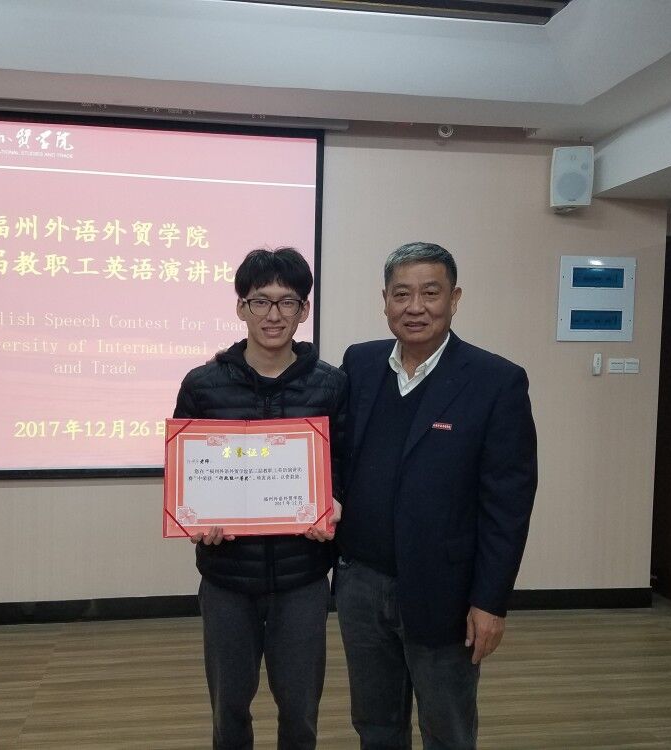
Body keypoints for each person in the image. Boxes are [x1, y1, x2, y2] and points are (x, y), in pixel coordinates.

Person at [335, 242, 537, 749]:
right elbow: (336, 458)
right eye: (401, 294)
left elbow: (508, 506)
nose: (415, 307)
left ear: (454, 298)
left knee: (447, 729)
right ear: (385, 300)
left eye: (430, 293)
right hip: (361, 584)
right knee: (375, 726)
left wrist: (490, 601)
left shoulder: (496, 381)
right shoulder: (360, 364)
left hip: (446, 592)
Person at [172, 247, 346, 750]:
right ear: (240, 307)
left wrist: (335, 505)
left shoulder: (331, 384)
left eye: (287, 302)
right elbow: (186, 475)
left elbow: (346, 467)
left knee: (300, 712)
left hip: (302, 578)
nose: (274, 314)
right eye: (260, 301)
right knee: (228, 709)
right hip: (227, 577)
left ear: (304, 310)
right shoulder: (202, 385)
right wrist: (197, 520)